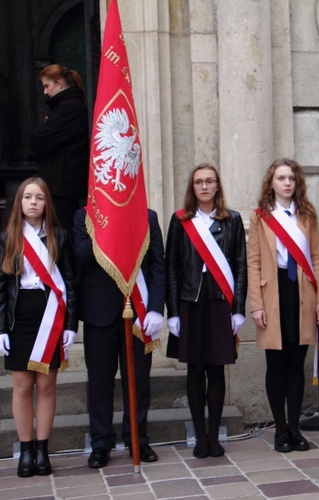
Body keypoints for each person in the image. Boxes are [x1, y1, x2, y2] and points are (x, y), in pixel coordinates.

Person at [165, 163, 247, 458]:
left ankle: (214, 436)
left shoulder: (232, 220)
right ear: (193, 187)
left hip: (219, 304)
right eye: (198, 181)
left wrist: (238, 308)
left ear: (217, 186)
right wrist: (172, 312)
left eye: (209, 181)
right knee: (195, 368)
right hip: (190, 303)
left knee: (216, 368)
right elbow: (171, 268)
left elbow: (240, 265)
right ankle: (200, 437)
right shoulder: (180, 221)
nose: (204, 186)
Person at [74, 207, 165, 468]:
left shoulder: (146, 216)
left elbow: (157, 263)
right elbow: (80, 256)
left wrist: (157, 307)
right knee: (100, 384)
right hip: (98, 311)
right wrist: (105, 231)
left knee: (138, 381)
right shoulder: (85, 216)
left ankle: (138, 438)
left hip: (138, 311)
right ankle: (101, 443)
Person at [248, 158, 319, 453]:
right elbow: (254, 262)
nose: (286, 183)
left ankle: (295, 429)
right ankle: (279, 430)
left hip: (303, 292)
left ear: (297, 183)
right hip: (274, 293)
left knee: (297, 364)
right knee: (276, 364)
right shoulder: (261, 217)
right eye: (280, 178)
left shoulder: (308, 215)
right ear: (272, 182)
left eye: (291, 178)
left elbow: (317, 259)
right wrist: (255, 305)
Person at [0, 177, 77, 477]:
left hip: (51, 317)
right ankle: (25, 451)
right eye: (28, 197)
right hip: (19, 320)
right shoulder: (7, 239)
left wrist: (71, 324)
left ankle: (43, 450)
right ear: (19, 202)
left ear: (47, 203)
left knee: (46, 386)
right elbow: (2, 287)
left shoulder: (60, 236)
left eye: (39, 198)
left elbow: (69, 282)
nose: (33, 202)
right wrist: (2, 328)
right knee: (22, 387)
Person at [29, 64, 89, 235]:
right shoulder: (67, 106)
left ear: (60, 83)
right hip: (61, 183)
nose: (45, 92)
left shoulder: (69, 108)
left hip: (62, 184)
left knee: (61, 232)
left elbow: (38, 139)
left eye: (47, 86)